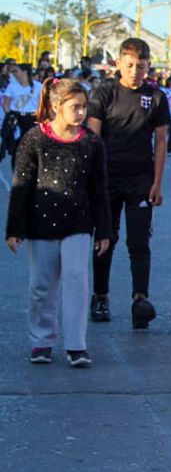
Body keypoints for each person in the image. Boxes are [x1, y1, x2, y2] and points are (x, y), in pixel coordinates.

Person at [7, 78, 112, 367]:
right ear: (56, 106)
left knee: (77, 280)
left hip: (78, 223)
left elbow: (99, 189)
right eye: (74, 107)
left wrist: (104, 230)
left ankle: (77, 345)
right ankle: (42, 341)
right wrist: (15, 228)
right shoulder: (34, 139)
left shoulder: (91, 142)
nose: (80, 113)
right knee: (41, 285)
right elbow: (21, 186)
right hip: (41, 223)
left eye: (83, 107)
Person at [87, 38, 170, 329]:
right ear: (119, 63)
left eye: (142, 66)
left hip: (141, 180)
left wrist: (157, 183)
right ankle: (100, 296)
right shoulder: (104, 92)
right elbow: (93, 139)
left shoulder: (156, 97)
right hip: (107, 179)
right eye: (130, 65)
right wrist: (92, 181)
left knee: (139, 242)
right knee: (105, 240)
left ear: (149, 67)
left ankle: (140, 299)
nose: (135, 71)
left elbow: (161, 142)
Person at [1, 64, 42, 168]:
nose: (14, 74)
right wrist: (10, 115)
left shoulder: (38, 86)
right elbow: (6, 104)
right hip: (17, 117)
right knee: (17, 145)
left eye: (16, 71)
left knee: (32, 145)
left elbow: (41, 104)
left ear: (25, 72)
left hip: (32, 118)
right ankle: (16, 171)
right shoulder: (12, 86)